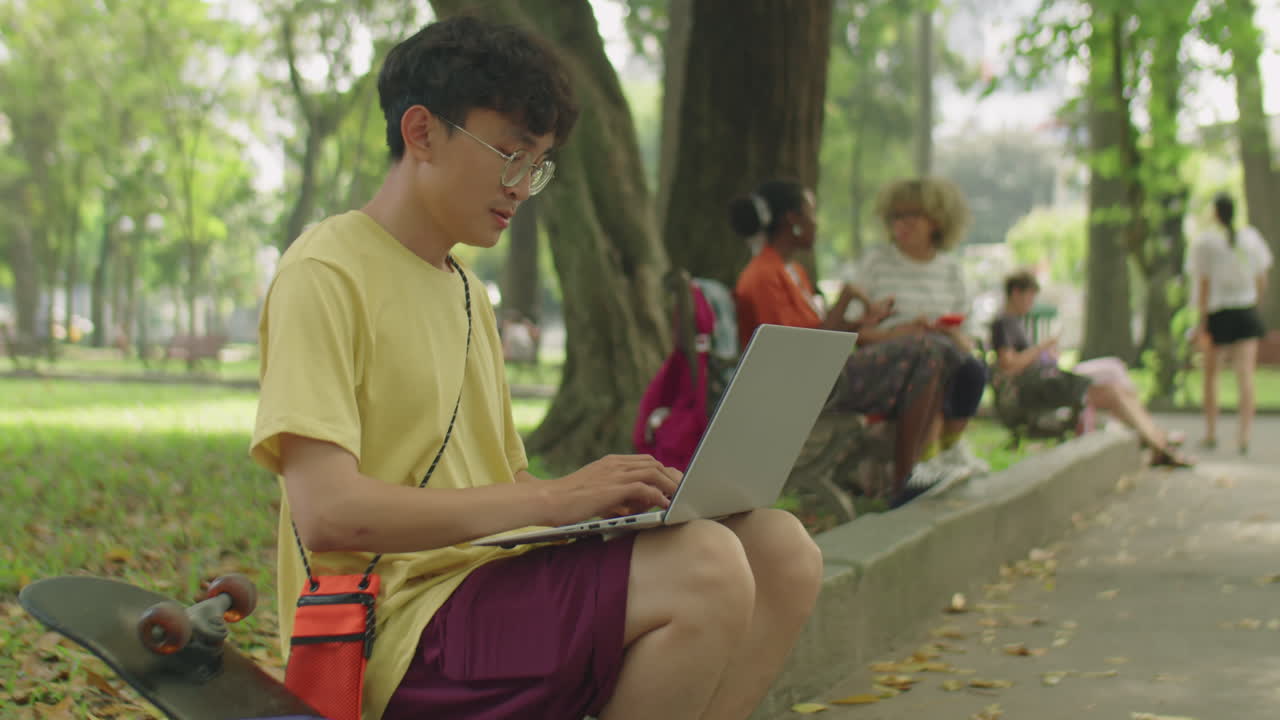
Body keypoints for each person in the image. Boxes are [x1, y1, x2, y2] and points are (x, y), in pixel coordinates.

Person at [251, 16, 824, 720]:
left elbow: (502, 485)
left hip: (487, 593)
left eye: (540, 164)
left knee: (780, 550)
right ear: (422, 132)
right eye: (511, 155)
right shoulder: (325, 270)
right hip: (391, 635)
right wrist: (555, 501)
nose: (523, 187)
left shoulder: (464, 291)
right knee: (706, 568)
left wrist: (598, 507)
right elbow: (330, 516)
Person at [729, 179, 949, 507]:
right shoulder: (762, 276)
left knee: (934, 350)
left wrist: (860, 322)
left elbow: (814, 331)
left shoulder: (792, 271)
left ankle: (907, 471)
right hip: (801, 388)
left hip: (820, 377)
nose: (817, 222)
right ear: (793, 221)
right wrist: (846, 298)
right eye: (812, 213)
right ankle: (903, 479)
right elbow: (799, 351)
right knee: (927, 351)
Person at [847, 177, 991, 481]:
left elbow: (971, 336)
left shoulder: (951, 270)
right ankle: (923, 460)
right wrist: (902, 333)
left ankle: (949, 447)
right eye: (896, 216)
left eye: (911, 215)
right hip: (890, 363)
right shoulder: (876, 263)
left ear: (936, 221)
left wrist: (951, 334)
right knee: (930, 356)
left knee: (967, 365)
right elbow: (853, 331)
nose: (902, 223)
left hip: (945, 355)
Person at [991, 271, 1192, 467]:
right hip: (1038, 389)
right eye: (1029, 297)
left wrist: (1045, 355)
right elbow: (1009, 365)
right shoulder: (1004, 323)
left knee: (1117, 389)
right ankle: (1159, 445)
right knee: (1114, 385)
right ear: (1016, 292)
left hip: (1048, 382)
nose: (1031, 303)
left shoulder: (1014, 322)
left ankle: (1158, 441)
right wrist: (1040, 348)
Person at [1186, 192, 1273, 454]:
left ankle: (1211, 432)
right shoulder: (1251, 238)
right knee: (1245, 376)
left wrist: (1202, 322)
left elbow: (1203, 285)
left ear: (1215, 213)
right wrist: (1254, 302)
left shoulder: (1205, 243)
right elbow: (1262, 278)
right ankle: (1243, 436)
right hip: (1245, 311)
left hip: (1219, 313)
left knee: (1211, 376)